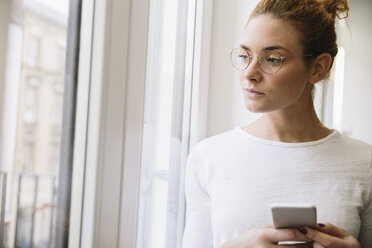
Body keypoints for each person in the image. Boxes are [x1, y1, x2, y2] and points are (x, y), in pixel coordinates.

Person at [181, 0, 372, 247]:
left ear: (318, 68)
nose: (249, 72)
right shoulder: (208, 157)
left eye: (272, 59)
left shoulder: (364, 164)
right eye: (244, 55)